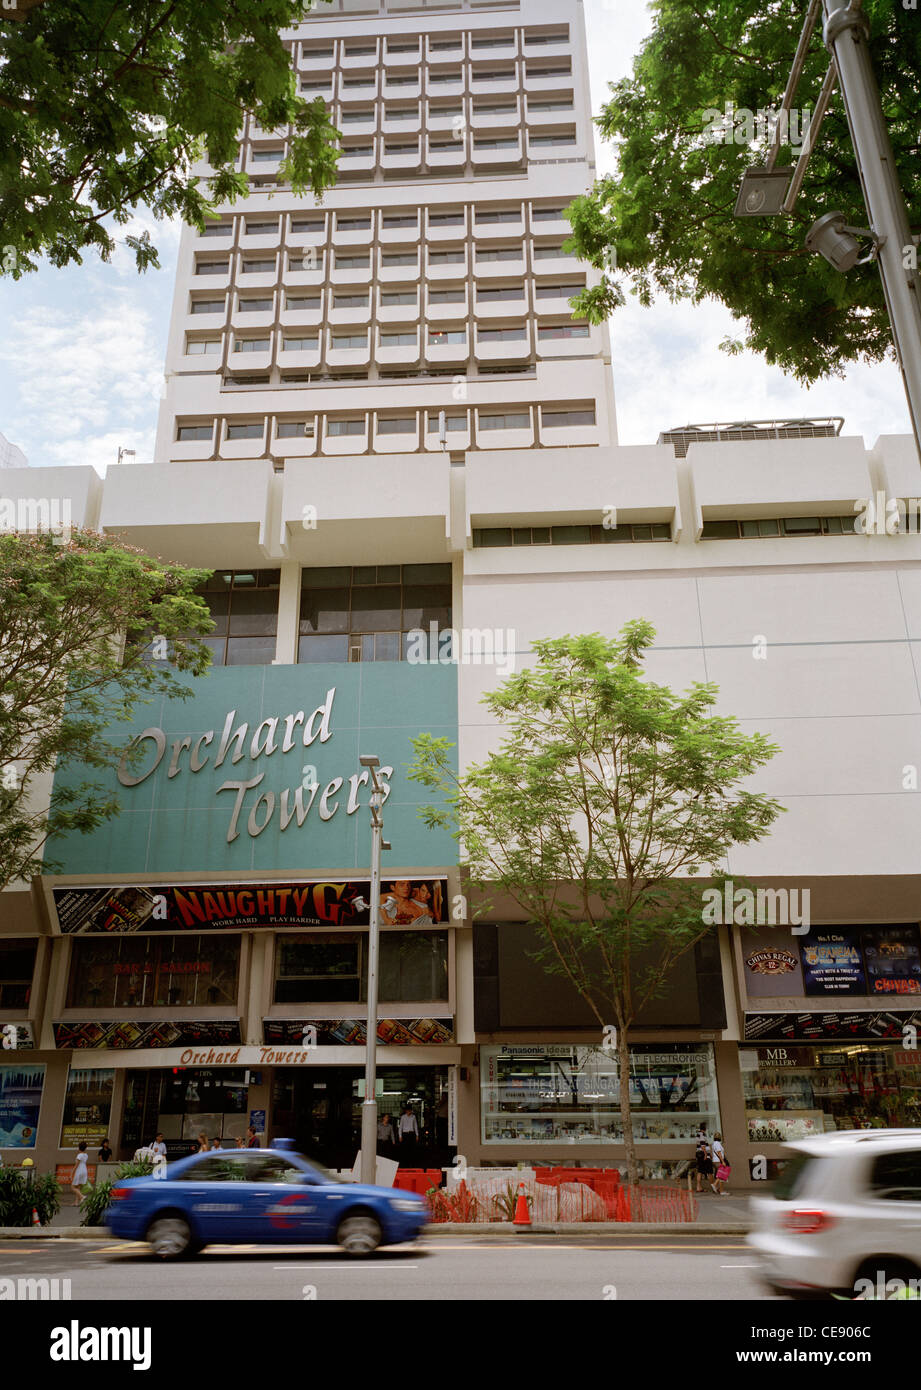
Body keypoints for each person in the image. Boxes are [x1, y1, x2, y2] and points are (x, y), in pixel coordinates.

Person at [70, 1142, 89, 1207]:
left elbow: (76, 1165)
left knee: (72, 1187)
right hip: (84, 1170)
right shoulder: (86, 1155)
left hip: (79, 1171)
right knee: (78, 1187)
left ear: (79, 1147)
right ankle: (76, 1202)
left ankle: (82, 1196)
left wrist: (71, 1173)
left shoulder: (79, 1155)